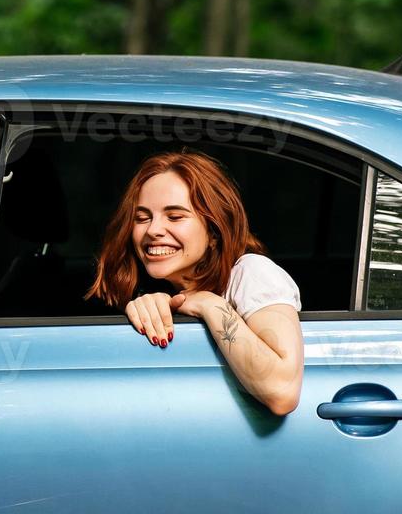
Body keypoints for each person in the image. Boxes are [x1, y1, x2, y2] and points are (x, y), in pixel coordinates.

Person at [86, 150, 304, 416]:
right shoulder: (163, 288)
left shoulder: (252, 272)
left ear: (214, 231)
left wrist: (210, 305)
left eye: (175, 217)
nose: (153, 230)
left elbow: (282, 392)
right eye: (142, 218)